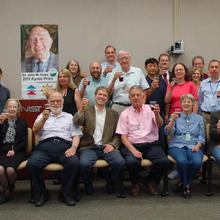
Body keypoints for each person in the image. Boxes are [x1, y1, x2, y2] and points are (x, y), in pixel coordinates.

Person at [26, 91, 82, 207]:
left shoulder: (69, 117)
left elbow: (76, 135)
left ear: (62, 102)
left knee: (74, 163)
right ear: (48, 102)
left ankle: (65, 193)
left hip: (64, 147)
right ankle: (42, 193)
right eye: (53, 101)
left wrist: (74, 147)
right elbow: (35, 131)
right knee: (32, 164)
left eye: (58, 101)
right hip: (44, 148)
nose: (55, 103)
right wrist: (43, 120)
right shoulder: (42, 115)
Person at [73, 86, 126, 198]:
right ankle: (88, 183)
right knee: (83, 164)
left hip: (107, 146)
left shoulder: (114, 114)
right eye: (100, 94)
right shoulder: (87, 111)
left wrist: (113, 145)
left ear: (107, 99)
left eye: (104, 95)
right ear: (95, 96)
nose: (102, 97)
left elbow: (118, 134)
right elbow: (76, 122)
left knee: (120, 162)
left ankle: (111, 181)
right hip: (89, 146)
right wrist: (81, 109)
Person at [116, 86, 169, 196]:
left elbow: (159, 124)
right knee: (131, 162)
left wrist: (157, 114)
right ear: (129, 98)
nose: (136, 97)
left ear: (143, 96)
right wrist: (133, 150)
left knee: (164, 161)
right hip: (132, 144)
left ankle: (150, 181)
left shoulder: (151, 109)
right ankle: (135, 183)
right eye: (133, 95)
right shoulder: (124, 114)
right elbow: (123, 137)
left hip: (151, 144)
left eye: (138, 95)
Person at [164, 94, 205, 199]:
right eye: (184, 101)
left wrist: (198, 145)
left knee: (197, 162)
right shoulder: (175, 115)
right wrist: (173, 120)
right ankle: (187, 186)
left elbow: (201, 135)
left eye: (189, 102)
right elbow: (168, 132)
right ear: (181, 104)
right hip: (177, 146)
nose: (186, 104)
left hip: (193, 145)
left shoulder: (199, 118)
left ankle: (183, 182)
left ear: (193, 104)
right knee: (182, 162)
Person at [0, 99, 27, 204]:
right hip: (3, 151)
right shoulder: (3, 122)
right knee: (0, 170)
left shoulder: (23, 123)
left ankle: (8, 189)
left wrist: (14, 150)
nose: (12, 109)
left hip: (17, 151)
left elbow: (24, 142)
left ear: (18, 109)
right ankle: (8, 191)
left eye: (14, 107)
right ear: (6, 108)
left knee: (10, 171)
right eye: (10, 107)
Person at [144, 58, 167, 148]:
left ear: (158, 68)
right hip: (146, 114)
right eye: (150, 66)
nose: (153, 68)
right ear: (145, 68)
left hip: (160, 113)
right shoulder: (143, 81)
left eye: (155, 66)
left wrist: (166, 114)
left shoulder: (161, 81)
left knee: (161, 135)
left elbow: (166, 99)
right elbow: (143, 97)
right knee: (148, 136)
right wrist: (152, 88)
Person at [199, 59, 220, 128]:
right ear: (208, 69)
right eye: (212, 67)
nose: (214, 69)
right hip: (205, 115)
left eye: (216, 67)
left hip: (218, 116)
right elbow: (200, 99)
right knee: (204, 136)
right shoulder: (203, 83)